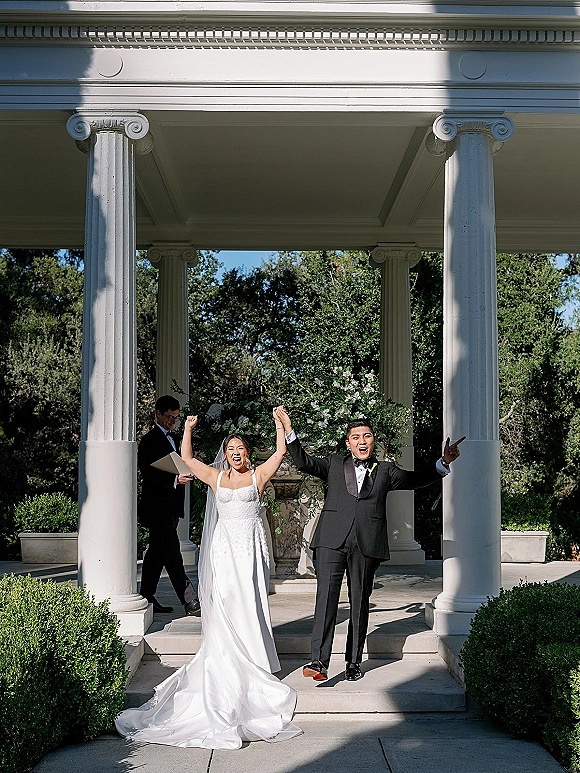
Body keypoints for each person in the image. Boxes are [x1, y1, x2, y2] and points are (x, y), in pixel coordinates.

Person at [115, 408, 302, 749]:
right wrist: (187, 428)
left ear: (246, 453)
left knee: (252, 604)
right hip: (224, 553)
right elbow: (185, 457)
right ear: (226, 455)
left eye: (241, 449)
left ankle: (256, 663)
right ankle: (229, 661)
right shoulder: (215, 478)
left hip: (251, 553)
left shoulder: (258, 477)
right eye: (231, 449)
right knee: (228, 605)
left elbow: (279, 453)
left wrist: (280, 425)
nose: (236, 453)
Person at [275, 406, 464, 683]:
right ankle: (319, 661)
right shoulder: (333, 464)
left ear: (373, 440)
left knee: (359, 603)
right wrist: (288, 429)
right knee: (325, 599)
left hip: (366, 545)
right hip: (331, 541)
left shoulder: (386, 471)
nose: (362, 441)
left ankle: (353, 661)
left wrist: (443, 462)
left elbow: (415, 479)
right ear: (348, 442)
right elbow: (304, 462)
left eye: (367, 436)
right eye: (356, 437)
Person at [138, 395, 200, 616]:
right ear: (158, 413)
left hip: (171, 508)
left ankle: (146, 596)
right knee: (173, 554)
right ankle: (190, 601)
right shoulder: (148, 441)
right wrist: (174, 480)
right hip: (156, 509)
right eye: (169, 417)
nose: (173, 421)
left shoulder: (173, 439)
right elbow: (148, 473)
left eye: (176, 417)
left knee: (156, 553)